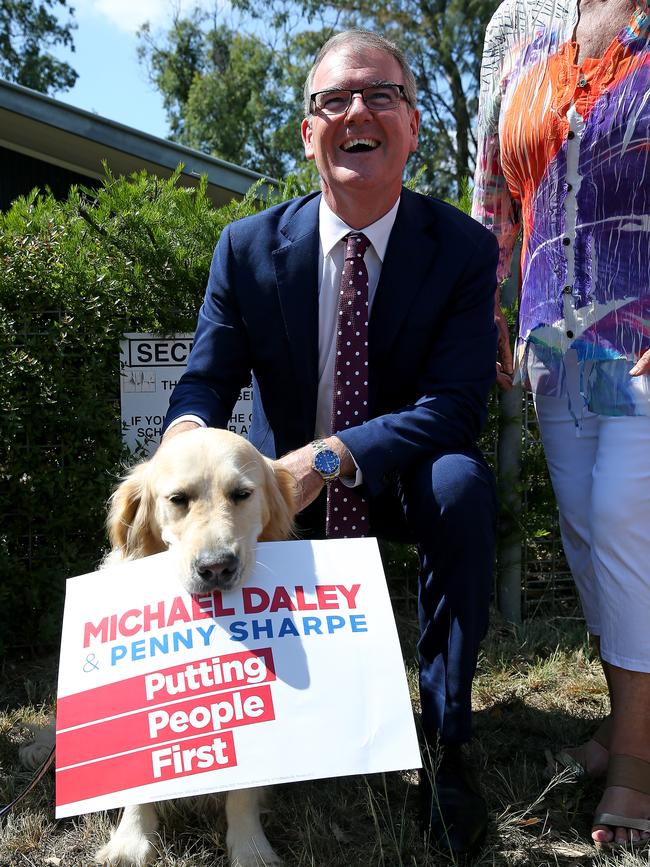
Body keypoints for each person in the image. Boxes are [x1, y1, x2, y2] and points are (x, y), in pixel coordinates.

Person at [162, 29, 499, 856]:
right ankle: (227, 718)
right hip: (279, 485)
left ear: (413, 126)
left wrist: (335, 454)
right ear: (308, 132)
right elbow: (203, 386)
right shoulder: (245, 250)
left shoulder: (463, 248)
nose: (358, 112)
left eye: (381, 95)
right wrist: (184, 446)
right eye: (334, 100)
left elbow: (456, 405)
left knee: (461, 486)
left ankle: (445, 745)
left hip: (402, 469)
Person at [472, 0, 650, 849]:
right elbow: (494, 182)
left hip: (641, 330)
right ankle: (628, 728)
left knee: (624, 515)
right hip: (555, 333)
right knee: (589, 533)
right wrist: (486, 302)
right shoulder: (518, 21)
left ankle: (637, 767)